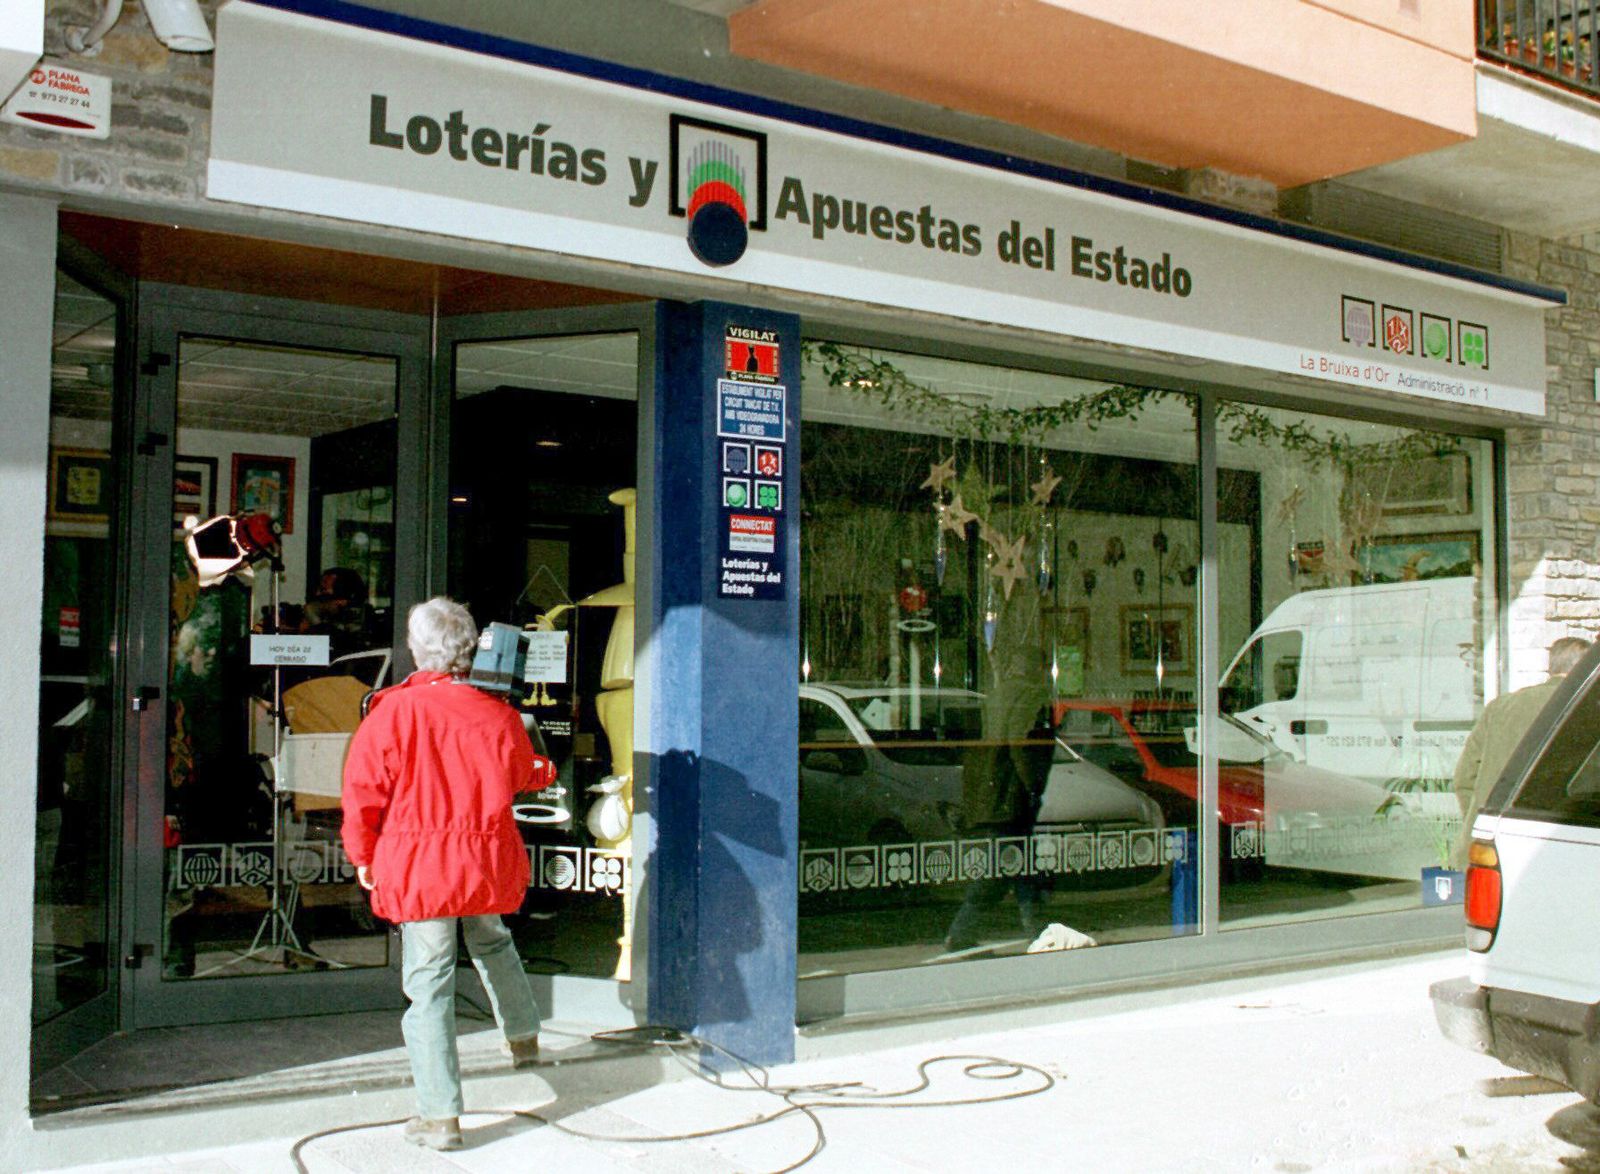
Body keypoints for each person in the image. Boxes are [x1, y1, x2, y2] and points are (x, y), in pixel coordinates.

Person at [341, 596, 554, 1151]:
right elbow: (523, 774)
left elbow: (364, 793)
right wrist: (546, 765)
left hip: (423, 868)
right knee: (492, 941)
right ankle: (525, 1037)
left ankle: (441, 1117)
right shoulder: (498, 713)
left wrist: (362, 855)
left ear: (418, 650)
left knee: (430, 982)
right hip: (480, 862)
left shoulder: (393, 712)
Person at [1452, 635, 1591, 866]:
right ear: (1582, 670)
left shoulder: (1500, 706)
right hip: (1547, 849)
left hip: (1486, 848)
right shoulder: (1582, 711)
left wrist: (1481, 822)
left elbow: (1463, 778)